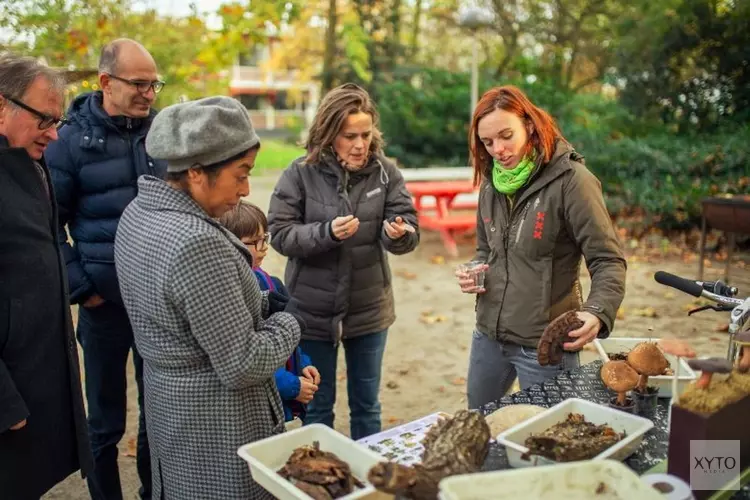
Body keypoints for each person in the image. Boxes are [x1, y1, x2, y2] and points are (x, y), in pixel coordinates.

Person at [114, 95, 304, 500]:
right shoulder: (197, 242)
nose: (247, 188)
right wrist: (290, 321)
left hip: (171, 406)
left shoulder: (138, 213)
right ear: (198, 173)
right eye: (240, 174)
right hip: (215, 423)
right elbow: (242, 364)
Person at [45, 39, 165, 499]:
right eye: (138, 84)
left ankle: (155, 492)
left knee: (158, 414)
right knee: (104, 422)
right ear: (105, 82)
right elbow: (48, 226)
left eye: (154, 84)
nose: (148, 93)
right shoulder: (69, 140)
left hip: (156, 303)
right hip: (103, 306)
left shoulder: (162, 133)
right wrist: (84, 289)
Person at [456, 85, 627, 409]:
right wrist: (473, 270)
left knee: (550, 441)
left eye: (506, 135)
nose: (498, 149)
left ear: (530, 125)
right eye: (488, 142)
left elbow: (608, 259)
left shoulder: (573, 180)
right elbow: (486, 250)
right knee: (478, 424)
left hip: (545, 344)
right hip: (488, 337)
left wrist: (597, 311)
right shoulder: (493, 183)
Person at [268, 83, 420, 440]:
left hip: (369, 310)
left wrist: (399, 233)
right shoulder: (299, 173)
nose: (359, 144)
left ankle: (368, 482)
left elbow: (408, 224)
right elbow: (280, 234)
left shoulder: (385, 172)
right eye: (350, 135)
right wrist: (326, 233)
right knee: (318, 408)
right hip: (311, 312)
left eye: (366, 134)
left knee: (367, 407)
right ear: (328, 133)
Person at [0, 53, 93, 498]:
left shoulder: (26, 164)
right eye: (45, 119)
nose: (55, 134)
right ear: (2, 105)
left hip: (30, 376)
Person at [219, 201, 321, 423]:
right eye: (253, 242)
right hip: (259, 408)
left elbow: (288, 341)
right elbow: (247, 360)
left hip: (285, 403)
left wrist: (303, 365)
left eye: (265, 238)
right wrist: (292, 386)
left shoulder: (270, 282)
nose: (264, 247)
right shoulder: (229, 294)